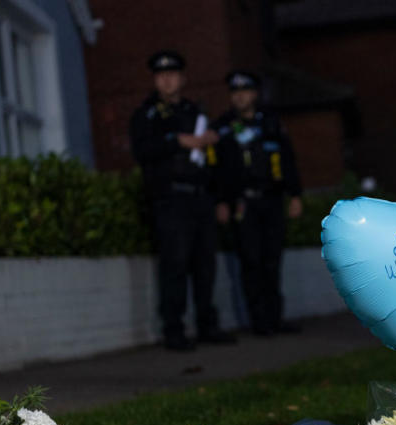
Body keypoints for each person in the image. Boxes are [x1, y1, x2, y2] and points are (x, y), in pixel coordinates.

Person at [129, 50, 235, 351]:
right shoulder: (146, 114)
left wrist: (220, 199)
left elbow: (212, 162)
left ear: (183, 79)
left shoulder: (195, 112)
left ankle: (207, 325)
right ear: (155, 80)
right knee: (174, 264)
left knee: (205, 264)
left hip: (200, 198)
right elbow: (142, 150)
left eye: (172, 74)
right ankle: (173, 330)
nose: (166, 79)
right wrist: (176, 140)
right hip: (170, 199)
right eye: (161, 75)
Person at [213, 70, 303, 336]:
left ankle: (275, 318)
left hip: (272, 200)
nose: (240, 96)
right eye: (235, 92)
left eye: (245, 91)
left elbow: (288, 160)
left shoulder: (271, 123)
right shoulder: (223, 128)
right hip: (243, 203)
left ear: (254, 94)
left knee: (272, 261)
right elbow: (217, 170)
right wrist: (221, 201)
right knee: (250, 261)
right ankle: (259, 322)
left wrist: (295, 194)